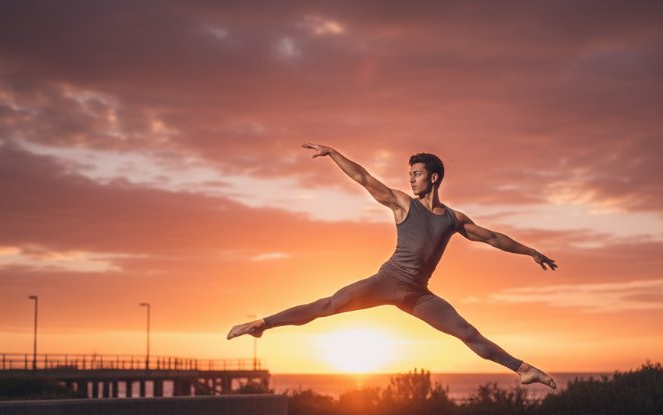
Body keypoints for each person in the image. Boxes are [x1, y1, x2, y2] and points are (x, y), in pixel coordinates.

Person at [227, 143, 558, 389]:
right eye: (410, 175)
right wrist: (333, 154)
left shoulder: (454, 219)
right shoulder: (403, 204)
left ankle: (522, 369)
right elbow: (365, 179)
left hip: (417, 296)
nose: (411, 180)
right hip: (386, 281)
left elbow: (493, 238)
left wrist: (530, 251)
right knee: (327, 305)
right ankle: (262, 324)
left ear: (434, 177)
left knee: (467, 333)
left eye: (416, 174)